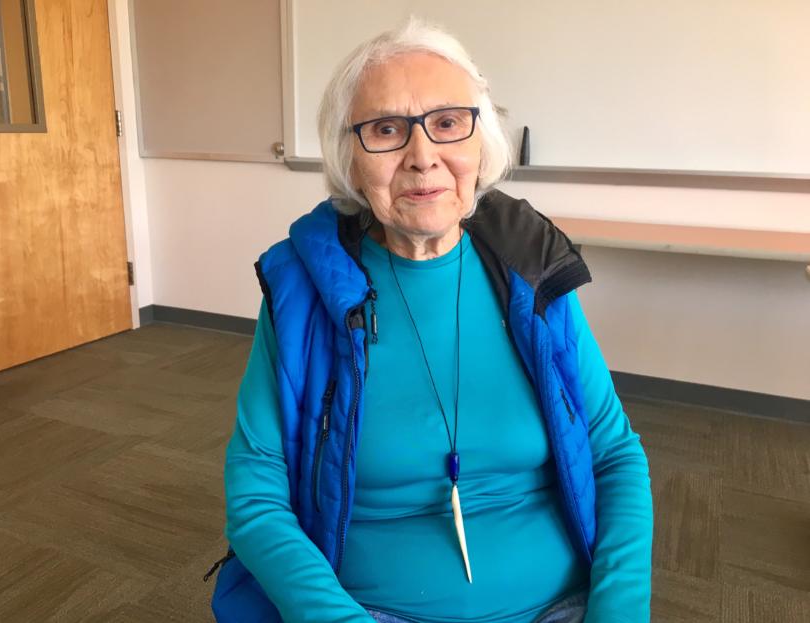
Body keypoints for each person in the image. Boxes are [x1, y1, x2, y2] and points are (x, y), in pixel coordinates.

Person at [210, 17, 653, 623]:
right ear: (350, 157)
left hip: (563, 607)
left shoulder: (531, 270)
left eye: (447, 123)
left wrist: (618, 613)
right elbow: (257, 495)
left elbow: (614, 455)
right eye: (386, 130)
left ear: (481, 142)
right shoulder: (305, 291)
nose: (423, 158)